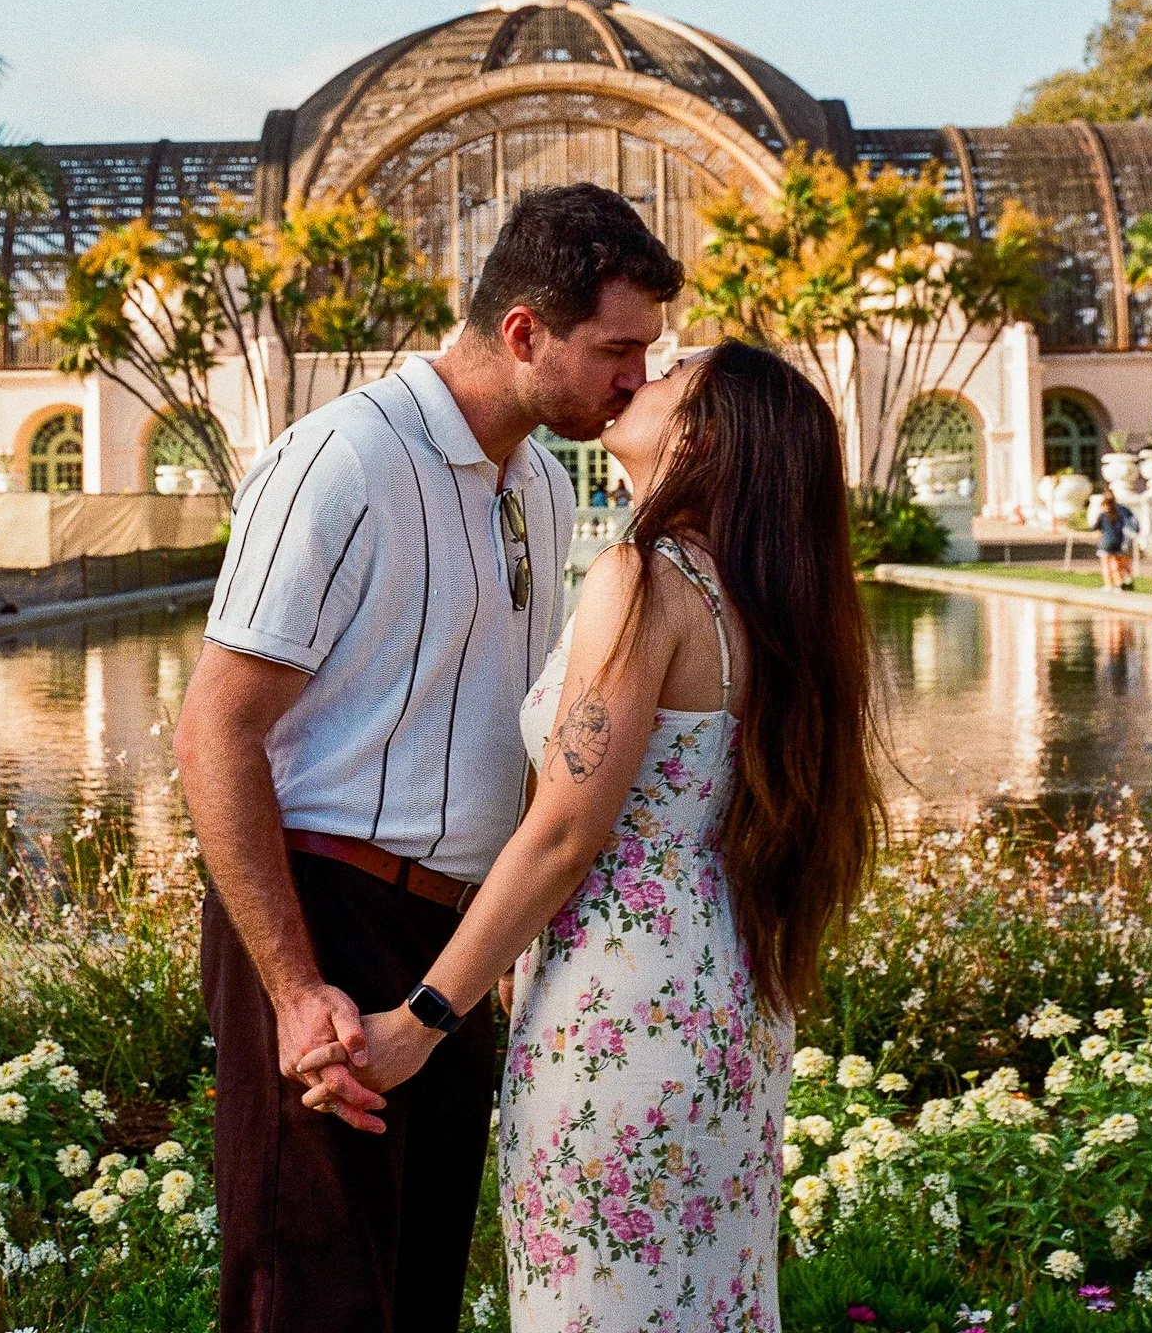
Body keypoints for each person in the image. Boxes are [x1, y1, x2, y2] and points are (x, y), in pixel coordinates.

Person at [174, 183, 683, 1333]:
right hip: (323, 906)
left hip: (452, 942)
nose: (636, 380)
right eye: (615, 348)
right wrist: (296, 989)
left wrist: (487, 952)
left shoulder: (543, 486)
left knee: (415, 1287)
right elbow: (216, 728)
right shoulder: (340, 461)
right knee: (310, 1291)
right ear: (521, 331)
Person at [305, 340, 885, 1332]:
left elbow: (566, 829)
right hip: (729, 994)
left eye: (668, 377)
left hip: (619, 1010)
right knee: (705, 1301)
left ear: (705, 433)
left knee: (597, 1300)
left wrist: (422, 1016)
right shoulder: (766, 598)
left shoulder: (647, 576)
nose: (635, 377)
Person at [1094, 483, 1138, 588]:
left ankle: (1109, 584)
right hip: (1119, 541)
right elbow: (1132, 523)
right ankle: (1120, 583)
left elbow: (1095, 528)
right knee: (1116, 563)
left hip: (1106, 542)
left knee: (1106, 564)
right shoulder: (1121, 512)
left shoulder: (1103, 515)